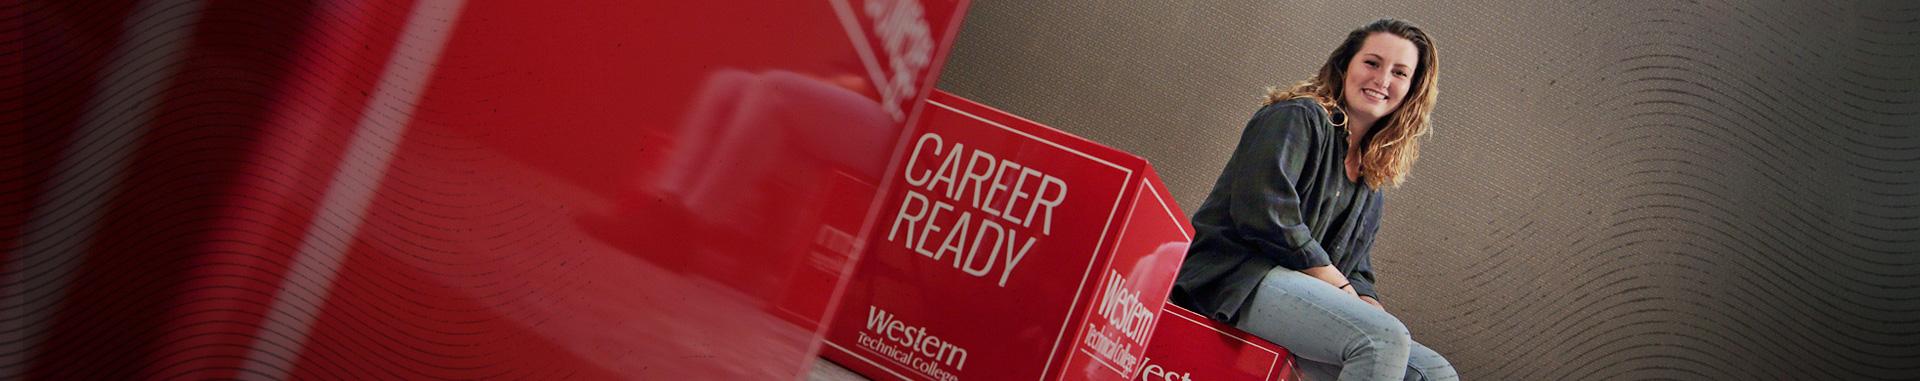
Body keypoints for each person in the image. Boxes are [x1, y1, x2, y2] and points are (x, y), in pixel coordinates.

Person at [1168, 18, 1454, 381]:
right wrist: (1342, 288)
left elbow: (1357, 266)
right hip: (1232, 277)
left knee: (1432, 371)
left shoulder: (1371, 174)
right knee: (1382, 339)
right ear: (1345, 65)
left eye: (1399, 72)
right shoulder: (1296, 116)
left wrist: (1366, 301)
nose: (1382, 80)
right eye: (1372, 63)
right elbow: (1265, 215)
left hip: (1296, 293)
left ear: (1412, 89)